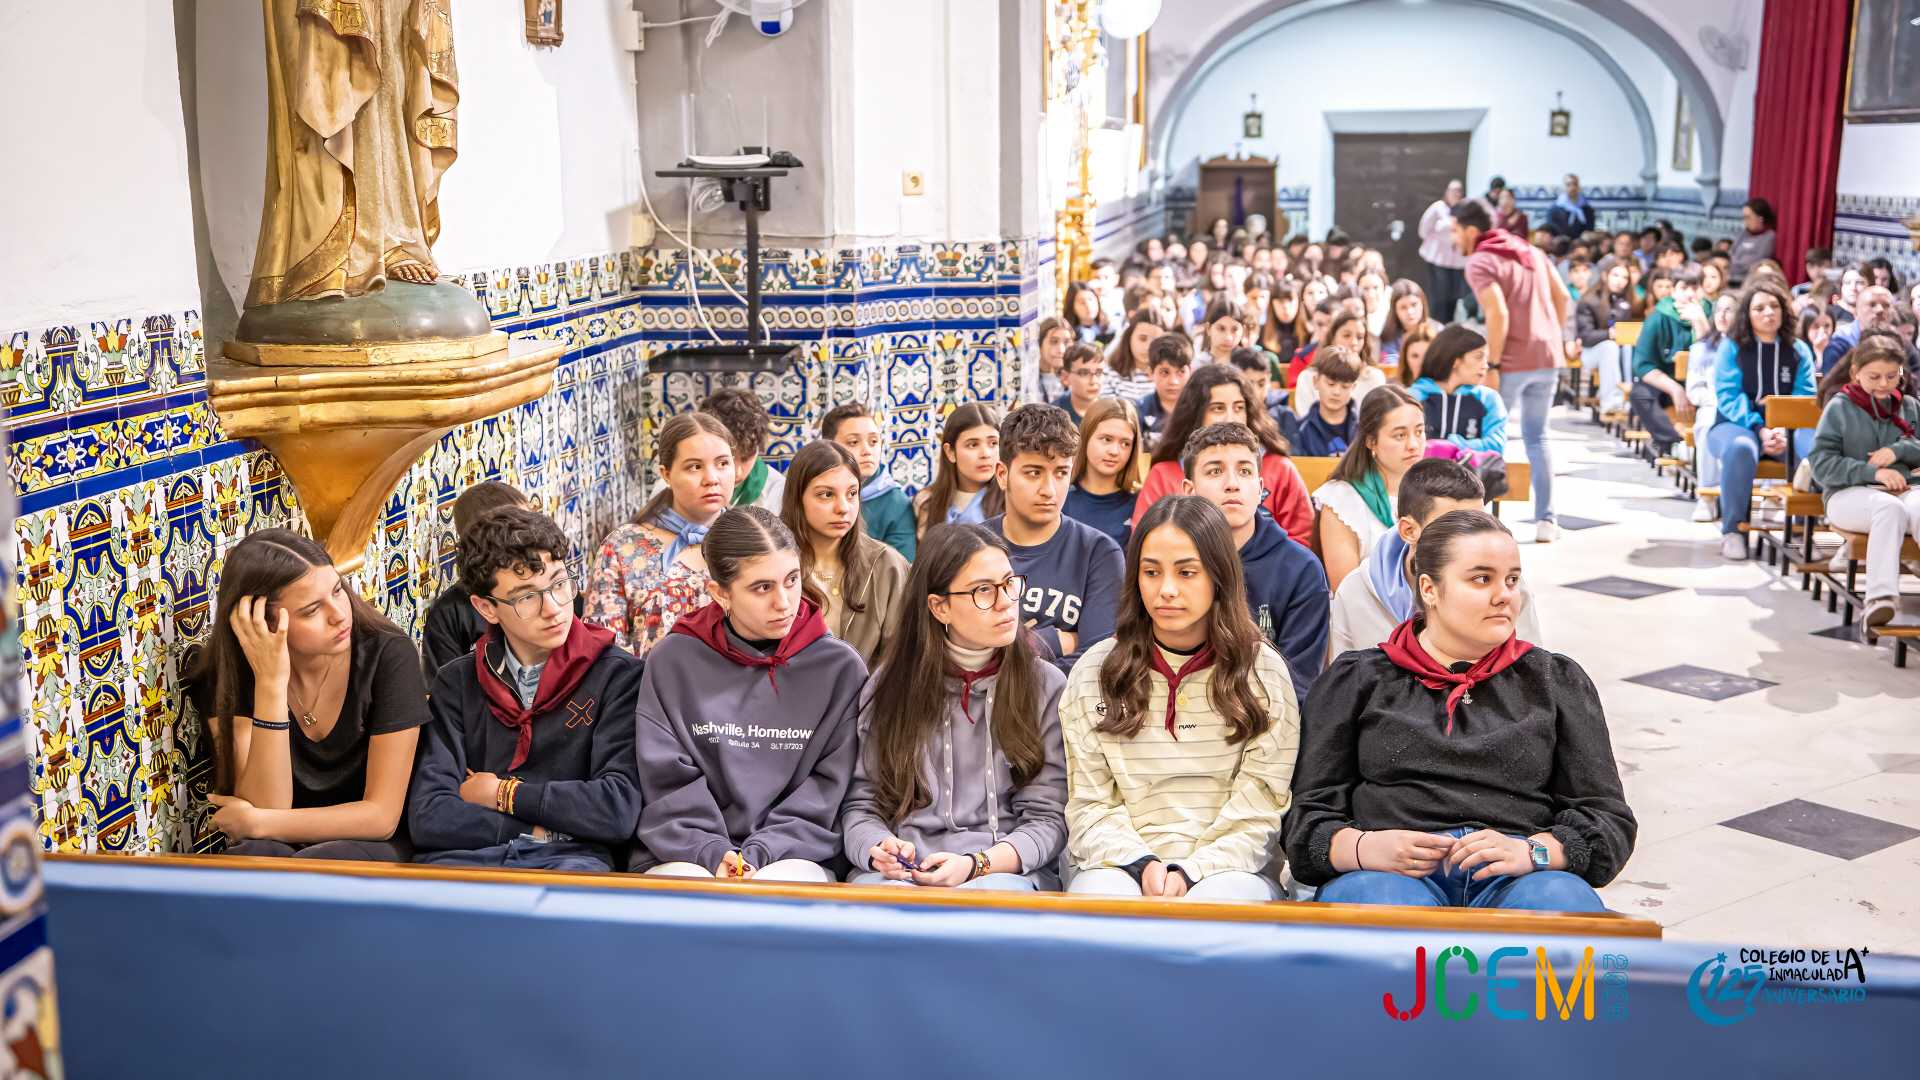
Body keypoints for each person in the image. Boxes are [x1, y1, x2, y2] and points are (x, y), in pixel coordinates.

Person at [1284, 510, 1634, 911]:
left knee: (1559, 905)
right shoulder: (1359, 680)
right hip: (1389, 876)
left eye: (1512, 579)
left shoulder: (1555, 681)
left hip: (1522, 878)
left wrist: (1533, 852)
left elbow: (1608, 822)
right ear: (1429, 589)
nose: (1504, 595)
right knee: (1377, 909)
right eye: (1482, 579)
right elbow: (1304, 821)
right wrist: (1365, 848)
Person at [1061, 496, 1300, 901]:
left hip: (1233, 869)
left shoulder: (1264, 672)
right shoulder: (1093, 672)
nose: (1166, 590)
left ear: (1219, 576)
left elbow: (1261, 807)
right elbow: (1089, 804)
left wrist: (1193, 871)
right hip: (1118, 865)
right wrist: (1141, 863)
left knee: (1215, 907)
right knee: (1098, 904)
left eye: (1187, 572)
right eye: (1151, 572)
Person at [634, 507, 865, 882]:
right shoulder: (672, 661)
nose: (784, 602)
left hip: (795, 853)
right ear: (720, 593)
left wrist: (762, 853)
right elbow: (666, 781)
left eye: (791, 580)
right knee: (680, 892)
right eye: (762, 587)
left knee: (783, 889)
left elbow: (828, 788)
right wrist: (712, 851)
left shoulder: (840, 668)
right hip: (689, 851)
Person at [409, 509, 643, 872]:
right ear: (486, 608)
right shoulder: (457, 681)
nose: (554, 608)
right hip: (463, 861)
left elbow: (615, 810)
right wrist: (541, 830)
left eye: (559, 583)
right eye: (526, 597)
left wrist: (499, 793)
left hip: (571, 865)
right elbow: (429, 814)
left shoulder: (618, 676)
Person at [841, 524, 1069, 891]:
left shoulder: (1045, 684)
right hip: (905, 875)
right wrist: (877, 848)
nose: (1006, 601)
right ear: (939, 607)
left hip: (1003, 872)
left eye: (1009, 583)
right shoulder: (888, 685)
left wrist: (976, 865)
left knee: (991, 907)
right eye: (984, 590)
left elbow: (1049, 819)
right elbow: (861, 805)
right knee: (876, 909)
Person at [187, 531, 429, 860]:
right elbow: (267, 805)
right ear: (262, 622)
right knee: (254, 856)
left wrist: (257, 822)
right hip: (280, 843)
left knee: (307, 864)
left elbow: (382, 818)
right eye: (312, 610)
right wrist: (270, 684)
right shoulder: (228, 676)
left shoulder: (388, 655)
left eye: (338, 590)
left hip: (378, 844)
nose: (339, 614)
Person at [1327, 459, 1545, 660]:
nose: (1473, 542)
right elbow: (1344, 683)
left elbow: (1530, 673)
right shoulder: (1355, 592)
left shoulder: (1509, 591)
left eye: (1479, 524)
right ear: (1409, 530)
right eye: (1451, 528)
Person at [1180, 424, 1328, 701]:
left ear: (1260, 489)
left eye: (1245, 471)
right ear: (1189, 491)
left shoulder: (1301, 568)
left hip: (1267, 716)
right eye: (1215, 471)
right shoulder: (1170, 561)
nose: (1232, 483)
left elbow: (1297, 685)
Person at [1457, 199, 1570, 542]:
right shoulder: (1530, 250)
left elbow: (1498, 313)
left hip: (1511, 359)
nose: (1453, 238)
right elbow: (1562, 297)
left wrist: (1492, 364)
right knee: (1538, 437)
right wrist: (1550, 337)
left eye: (1455, 231)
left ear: (1471, 231)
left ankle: (1477, 523)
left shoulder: (1481, 260)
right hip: (1547, 357)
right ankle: (1546, 521)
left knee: (1490, 438)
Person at [986, 405, 1125, 674]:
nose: (1049, 490)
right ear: (1002, 474)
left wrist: (1010, 663)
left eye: (1061, 472)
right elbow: (963, 652)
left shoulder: (1099, 553)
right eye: (1034, 472)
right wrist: (1056, 640)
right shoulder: (972, 547)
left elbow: (1098, 663)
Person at [584, 412, 732, 657]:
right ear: (666, 475)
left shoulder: (756, 541)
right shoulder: (623, 547)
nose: (712, 479)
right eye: (695, 467)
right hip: (646, 681)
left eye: (722, 463)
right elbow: (602, 648)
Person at [1131, 364, 1314, 546]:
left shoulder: (1280, 469)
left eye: (1239, 407)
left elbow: (1301, 540)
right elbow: (1146, 543)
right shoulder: (1163, 475)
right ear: (1196, 414)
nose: (1230, 418)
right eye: (1218, 408)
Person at [1809, 340, 1920, 632]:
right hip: (1847, 494)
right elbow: (1821, 464)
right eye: (1875, 376)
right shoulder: (1839, 407)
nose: (1885, 384)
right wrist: (1873, 472)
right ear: (1856, 372)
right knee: (1889, 509)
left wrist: (1900, 450)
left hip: (1907, 489)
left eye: (1892, 376)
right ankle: (1879, 599)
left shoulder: (1910, 406)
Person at [1712, 279, 1819, 561]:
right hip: (1735, 425)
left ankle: (1804, 529)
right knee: (1741, 448)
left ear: (1784, 309)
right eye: (1759, 308)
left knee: (1816, 448)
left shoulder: (1799, 350)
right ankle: (1733, 531)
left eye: (1774, 306)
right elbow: (1729, 397)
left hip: (1788, 429)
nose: (1768, 312)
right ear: (1747, 314)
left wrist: (1782, 425)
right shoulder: (1732, 348)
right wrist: (1760, 428)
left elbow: (1804, 396)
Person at [779, 440, 909, 669]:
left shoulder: (888, 565)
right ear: (797, 498)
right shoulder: (772, 565)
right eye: (827, 494)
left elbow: (901, 661)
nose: (843, 508)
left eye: (852, 493)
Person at [1314, 384, 1427, 591]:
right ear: (1371, 442)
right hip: (1366, 608)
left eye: (1419, 431)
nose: (1414, 444)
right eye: (1400, 435)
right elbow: (1347, 590)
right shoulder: (1341, 499)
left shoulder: (1433, 492)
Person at [422, 480, 528, 673]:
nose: (532, 537)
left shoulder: (547, 586)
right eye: (519, 530)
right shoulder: (451, 612)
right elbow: (443, 684)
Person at [1630, 266, 1711, 458]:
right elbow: (1642, 365)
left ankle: (1708, 447)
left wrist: (1700, 322)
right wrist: (1675, 389)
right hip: (1669, 384)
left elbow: (1714, 358)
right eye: (1684, 288)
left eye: (1695, 287)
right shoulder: (1657, 317)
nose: (1690, 293)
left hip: (1704, 384)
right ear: (1673, 291)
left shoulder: (1714, 313)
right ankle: (1675, 445)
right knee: (1640, 394)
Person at [821, 401, 916, 562]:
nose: (867, 451)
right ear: (828, 446)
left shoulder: (897, 504)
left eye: (873, 442)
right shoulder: (809, 491)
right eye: (854, 442)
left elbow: (902, 568)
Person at [1410, 325, 1507, 453]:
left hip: (1471, 467)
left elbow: (1496, 446)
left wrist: (1452, 446)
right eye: (1479, 357)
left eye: (1486, 358)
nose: (1485, 366)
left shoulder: (1489, 399)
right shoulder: (1412, 397)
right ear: (1455, 360)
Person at [914, 402, 1004, 533]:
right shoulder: (927, 502)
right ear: (950, 452)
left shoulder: (1013, 499)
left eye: (993, 443)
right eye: (973, 445)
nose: (985, 454)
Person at [1065, 397, 1142, 549]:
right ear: (1085, 437)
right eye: (1106, 439)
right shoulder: (1060, 497)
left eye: (1125, 443)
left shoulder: (1141, 502)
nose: (1114, 451)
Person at [701, 387, 786, 513]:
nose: (737, 472)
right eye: (724, 461)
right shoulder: (681, 486)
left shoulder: (779, 493)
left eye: (746, 458)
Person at [1290, 310, 1385, 420]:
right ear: (1333, 337)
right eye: (1347, 335)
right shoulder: (1308, 377)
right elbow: (1306, 418)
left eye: (1359, 337)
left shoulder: (1374, 377)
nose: (1354, 342)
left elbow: (1375, 421)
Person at [1577, 261, 1638, 415]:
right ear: (1605, 275)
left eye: (1625, 277)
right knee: (1610, 347)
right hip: (1591, 352)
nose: (1620, 281)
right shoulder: (1589, 300)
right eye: (1616, 275)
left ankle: (1631, 399)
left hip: (1619, 350)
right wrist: (1609, 334)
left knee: (1629, 347)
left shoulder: (1624, 302)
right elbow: (1585, 336)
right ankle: (1611, 402)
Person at [1823, 286, 1920, 378]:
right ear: (1856, 312)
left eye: (1886, 305)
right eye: (1872, 305)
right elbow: (1833, 386)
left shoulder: (1904, 346)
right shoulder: (1840, 345)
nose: (1880, 310)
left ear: (1893, 314)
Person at [1419, 180, 1473, 322]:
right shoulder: (1438, 207)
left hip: (1458, 261)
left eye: (1458, 191)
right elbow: (1423, 230)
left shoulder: (1465, 209)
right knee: (1440, 294)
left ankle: (1449, 324)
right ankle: (1436, 324)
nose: (1456, 194)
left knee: (1454, 295)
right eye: (1453, 190)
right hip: (1439, 259)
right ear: (1446, 192)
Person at [1293, 347, 1362, 457]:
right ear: (1316, 381)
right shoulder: (1301, 429)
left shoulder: (1363, 429)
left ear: (1353, 387)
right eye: (1331, 384)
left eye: (1345, 386)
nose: (1337, 392)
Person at [1136, 332, 1193, 452]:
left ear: (1190, 373)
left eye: (1180, 372)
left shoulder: (1199, 410)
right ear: (1151, 373)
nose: (1173, 381)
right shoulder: (1138, 411)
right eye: (1165, 372)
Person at [1102, 306, 1170, 402]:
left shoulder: (1172, 376)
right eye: (1142, 339)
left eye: (1156, 341)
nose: (1148, 347)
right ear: (1129, 338)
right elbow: (1106, 410)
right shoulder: (1110, 376)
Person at [1378, 280, 1441, 367]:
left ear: (1422, 304)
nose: (1410, 312)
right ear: (1395, 311)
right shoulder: (1389, 336)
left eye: (1414, 305)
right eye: (1403, 307)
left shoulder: (1438, 330)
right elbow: (1391, 366)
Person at [1052, 341, 1105, 427]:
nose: (1094, 381)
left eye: (1099, 373)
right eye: (1084, 373)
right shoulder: (1052, 414)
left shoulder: (1111, 413)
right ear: (1066, 377)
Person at [1727, 197, 1777, 287]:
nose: (1746, 221)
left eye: (1748, 217)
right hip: (1731, 278)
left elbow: (1758, 261)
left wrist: (1736, 264)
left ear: (1760, 218)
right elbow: (1731, 252)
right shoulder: (1744, 232)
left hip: (1749, 282)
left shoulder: (1769, 235)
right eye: (1744, 218)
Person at [1198, 297, 1249, 364]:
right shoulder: (1198, 365)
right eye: (1221, 329)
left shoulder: (1249, 365)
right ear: (1208, 328)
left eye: (1234, 330)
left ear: (1243, 331)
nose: (1228, 338)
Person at [1033, 315, 1071, 402]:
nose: (1061, 350)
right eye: (1054, 342)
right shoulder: (1031, 381)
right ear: (1039, 344)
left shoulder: (1074, 379)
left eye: (1067, 342)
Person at [1063, 279, 1111, 344]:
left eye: (1090, 299)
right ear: (1072, 306)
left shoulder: (1109, 328)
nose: (1088, 306)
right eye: (1082, 302)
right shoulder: (1068, 336)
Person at [1547, 174, 1595, 239]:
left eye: (1575, 184)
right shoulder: (1555, 210)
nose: (1572, 187)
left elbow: (1589, 229)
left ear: (1579, 186)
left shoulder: (1587, 210)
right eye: (1568, 184)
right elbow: (1553, 230)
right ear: (1564, 187)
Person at [1394, 323, 1438, 389]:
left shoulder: (1448, 392)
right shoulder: (1396, 390)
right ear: (1405, 358)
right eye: (1415, 356)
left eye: (1427, 356)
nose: (1421, 362)